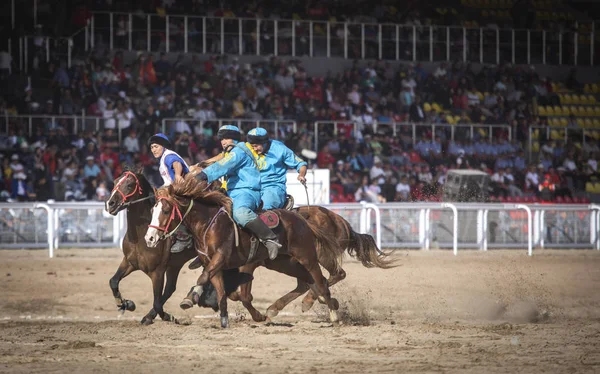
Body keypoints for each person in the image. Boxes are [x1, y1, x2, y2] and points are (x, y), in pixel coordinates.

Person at [194, 125, 282, 262]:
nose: (223, 141)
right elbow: (219, 160)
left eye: (227, 138)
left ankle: (270, 238)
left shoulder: (239, 151)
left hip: (246, 192)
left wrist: (202, 175)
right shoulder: (230, 153)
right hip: (231, 193)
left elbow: (223, 165)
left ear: (235, 139)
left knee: (241, 214)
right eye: (221, 139)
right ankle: (209, 249)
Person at [148, 133, 192, 253]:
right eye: (152, 147)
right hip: (173, 189)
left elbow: (176, 164)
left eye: (156, 146)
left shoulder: (168, 155)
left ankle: (184, 237)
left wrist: (178, 174)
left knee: (167, 208)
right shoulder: (163, 158)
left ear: (163, 146)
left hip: (181, 189)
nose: (153, 150)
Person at [246, 127, 307, 210]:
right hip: (252, 188)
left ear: (264, 143)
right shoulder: (247, 149)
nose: (254, 149)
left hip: (273, 188)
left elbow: (301, 164)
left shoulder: (279, 148)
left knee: (264, 211)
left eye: (256, 146)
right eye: (252, 146)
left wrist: (301, 175)